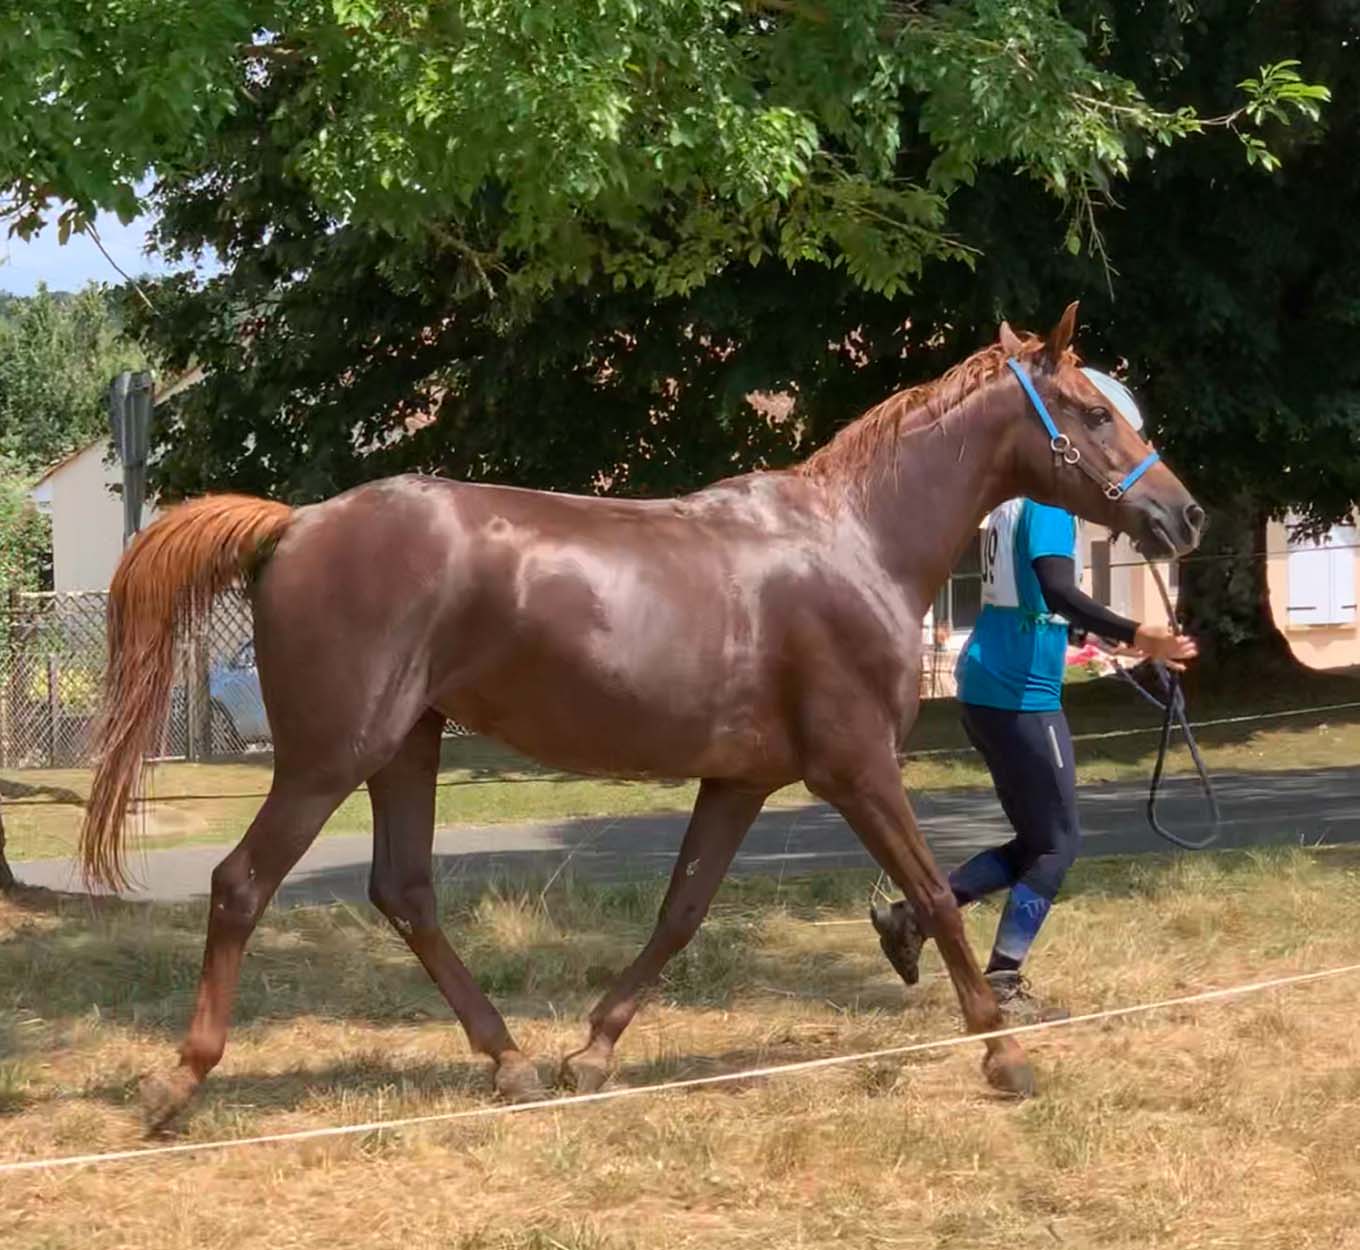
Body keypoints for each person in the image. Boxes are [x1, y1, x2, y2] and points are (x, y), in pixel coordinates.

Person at [872, 369, 1198, 1021]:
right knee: (1058, 843)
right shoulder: (1049, 507)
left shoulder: (1013, 502)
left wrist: (1108, 643)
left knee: (1038, 837)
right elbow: (1057, 591)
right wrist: (1140, 634)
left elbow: (1034, 598)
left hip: (992, 674)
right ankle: (1002, 976)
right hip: (1020, 687)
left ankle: (914, 918)